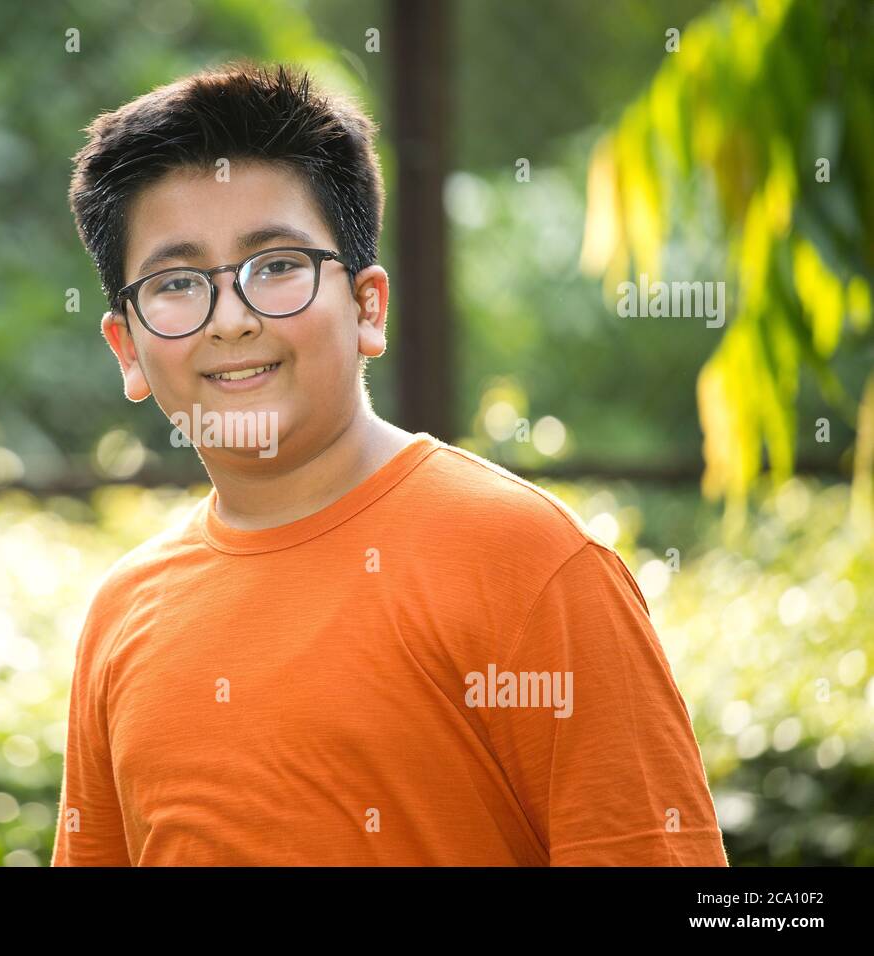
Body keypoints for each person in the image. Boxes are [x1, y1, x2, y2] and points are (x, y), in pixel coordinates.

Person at [51, 60, 728, 866]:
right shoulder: (123, 612)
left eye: (276, 267)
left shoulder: (529, 563)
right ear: (126, 348)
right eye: (175, 283)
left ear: (368, 307)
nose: (230, 319)